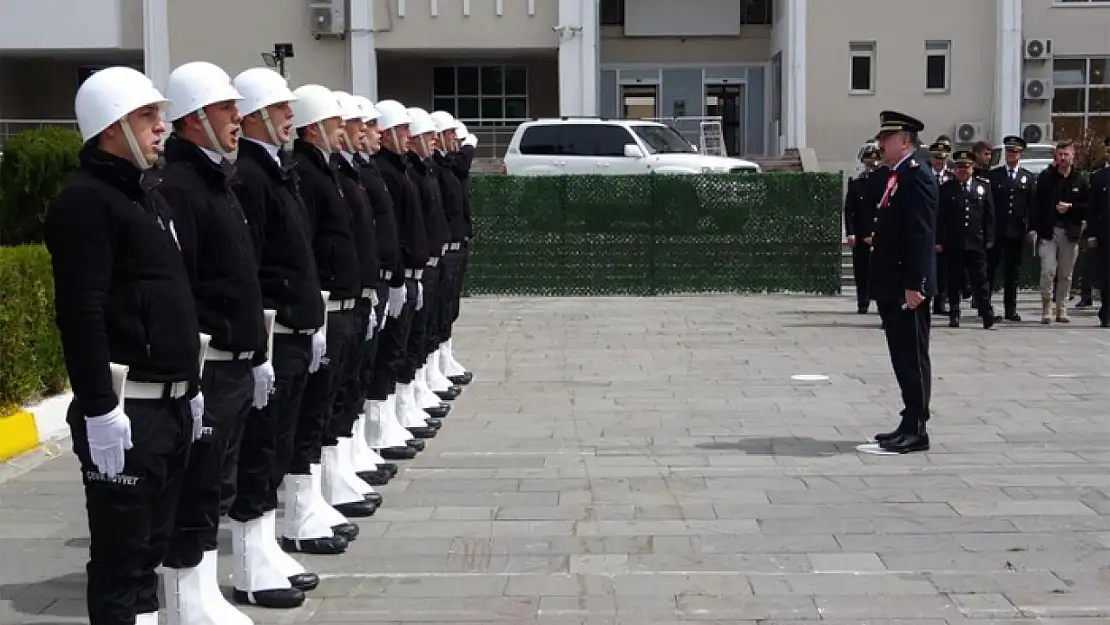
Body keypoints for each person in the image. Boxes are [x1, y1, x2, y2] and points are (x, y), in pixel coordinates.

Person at [44, 66, 202, 625]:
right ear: (111, 127)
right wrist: (99, 407)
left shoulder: (146, 196)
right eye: (146, 116)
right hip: (126, 410)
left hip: (168, 405)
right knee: (122, 560)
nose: (161, 127)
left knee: (150, 553)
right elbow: (80, 313)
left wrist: (192, 383)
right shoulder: (86, 202)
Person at [157, 61, 267, 625]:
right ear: (196, 118)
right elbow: (186, 284)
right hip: (209, 366)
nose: (238, 120)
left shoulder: (215, 181)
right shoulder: (180, 186)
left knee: (216, 485)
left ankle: (200, 594)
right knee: (197, 489)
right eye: (228, 110)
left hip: (233, 364)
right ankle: (184, 602)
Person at [227, 66, 331, 604]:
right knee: (261, 448)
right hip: (271, 331)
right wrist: (263, 340)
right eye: (280, 109)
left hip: (293, 325)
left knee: (281, 440)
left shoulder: (275, 171)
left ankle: (265, 544)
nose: (291, 116)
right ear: (253, 117)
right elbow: (253, 265)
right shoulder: (248, 176)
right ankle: (249, 560)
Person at [289, 83, 368, 547]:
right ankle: (300, 512)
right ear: (315, 125)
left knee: (333, 401)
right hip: (321, 307)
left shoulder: (332, 171)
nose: (349, 132)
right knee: (309, 416)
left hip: (343, 301)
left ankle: (319, 493)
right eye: (339, 124)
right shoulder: (306, 173)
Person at [323, 90, 389, 512]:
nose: (369, 133)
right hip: (329, 306)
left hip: (359, 294)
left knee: (350, 387)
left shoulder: (354, 174)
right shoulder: (324, 176)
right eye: (357, 126)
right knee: (324, 405)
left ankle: (345, 462)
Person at [352, 97, 422, 461]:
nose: (374, 132)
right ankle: (371, 434)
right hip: (367, 283)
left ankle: (380, 425)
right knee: (367, 367)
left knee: (390, 354)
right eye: (369, 125)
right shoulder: (370, 173)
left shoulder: (381, 171)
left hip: (391, 277)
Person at [868, 110, 938, 454]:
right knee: (901, 354)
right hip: (892, 281)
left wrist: (916, 284)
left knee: (912, 354)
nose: (881, 145)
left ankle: (918, 427)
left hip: (906, 283)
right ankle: (909, 419)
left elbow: (921, 235)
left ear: (905, 141)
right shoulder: (895, 175)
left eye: (887, 139)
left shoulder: (917, 176)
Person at [372, 101, 437, 443]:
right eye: (402, 130)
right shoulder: (386, 172)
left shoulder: (403, 171)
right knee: (387, 356)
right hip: (390, 278)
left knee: (406, 346)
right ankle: (379, 429)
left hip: (410, 272)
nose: (409, 137)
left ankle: (397, 412)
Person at [402, 106, 453, 423]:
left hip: (425, 264)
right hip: (404, 272)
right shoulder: (406, 173)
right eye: (428, 136)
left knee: (427, 331)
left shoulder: (425, 169)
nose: (435, 141)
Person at [428, 110, 475, 384]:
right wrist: (467, 149)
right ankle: (434, 366)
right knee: (437, 313)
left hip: (456, 244)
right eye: (449, 135)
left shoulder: (446, 164)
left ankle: (443, 358)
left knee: (448, 309)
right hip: (443, 249)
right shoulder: (439, 166)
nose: (454, 141)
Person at [1030, 139, 1089, 324]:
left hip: (1070, 232)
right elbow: (1035, 204)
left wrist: (1070, 207)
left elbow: (1088, 205)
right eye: (1060, 154)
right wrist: (1033, 229)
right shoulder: (1046, 178)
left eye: (1066, 154)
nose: (1063, 158)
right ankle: (1047, 307)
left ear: (1073, 157)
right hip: (1049, 231)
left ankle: (1061, 308)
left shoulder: (1080, 179)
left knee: (1066, 274)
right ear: (1056, 156)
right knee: (1048, 270)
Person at [937, 150, 996, 329]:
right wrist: (938, 240)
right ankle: (954, 312)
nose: (963, 170)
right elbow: (940, 217)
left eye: (967, 167)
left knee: (980, 279)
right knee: (953, 280)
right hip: (954, 241)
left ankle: (986, 312)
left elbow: (989, 215)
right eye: (960, 167)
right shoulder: (947, 189)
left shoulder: (983, 187)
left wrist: (990, 237)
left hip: (976, 241)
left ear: (973, 168)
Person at [986, 136, 1036, 321]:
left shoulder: (1027, 177)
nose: (1011, 155)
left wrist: (1030, 228)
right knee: (991, 270)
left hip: (1016, 231)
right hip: (997, 230)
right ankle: (986, 307)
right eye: (1009, 152)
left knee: (1012, 271)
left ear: (1020, 154)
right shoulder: (994, 176)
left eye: (1014, 152)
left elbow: (1032, 205)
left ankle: (1010, 309)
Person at [843, 145, 880, 313]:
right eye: (868, 163)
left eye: (874, 162)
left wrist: (876, 232)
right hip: (860, 235)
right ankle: (862, 302)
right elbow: (849, 210)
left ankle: (880, 303)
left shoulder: (884, 183)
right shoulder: (857, 184)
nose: (871, 166)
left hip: (880, 235)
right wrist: (850, 232)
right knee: (861, 270)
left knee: (880, 272)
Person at [1085, 136, 1110, 327]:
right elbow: (1092, 209)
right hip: (1105, 233)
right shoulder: (1099, 177)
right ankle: (1107, 312)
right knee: (1106, 275)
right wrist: (1091, 234)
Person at [927, 141, 953, 315]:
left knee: (943, 269)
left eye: (942, 159)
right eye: (936, 158)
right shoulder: (924, 176)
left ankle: (940, 301)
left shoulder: (951, 178)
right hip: (927, 227)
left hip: (945, 229)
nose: (939, 162)